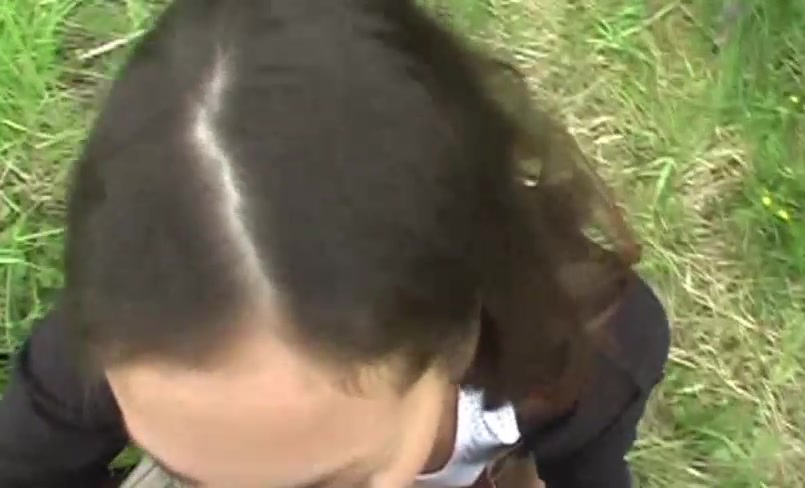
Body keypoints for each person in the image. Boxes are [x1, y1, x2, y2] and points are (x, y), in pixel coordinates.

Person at [0, 0, 670, 486]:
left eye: (332, 483)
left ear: (455, 334)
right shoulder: (127, 336)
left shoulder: (594, 351)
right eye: (193, 476)